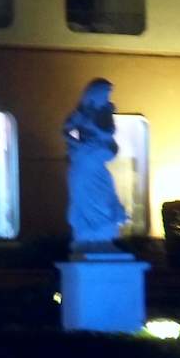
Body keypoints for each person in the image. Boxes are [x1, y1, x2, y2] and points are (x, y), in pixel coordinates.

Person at [63, 78, 128, 251]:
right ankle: (88, 237)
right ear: (95, 94)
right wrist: (77, 144)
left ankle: (105, 236)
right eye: (105, 94)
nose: (107, 97)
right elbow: (66, 130)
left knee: (106, 194)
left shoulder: (106, 113)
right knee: (85, 197)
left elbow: (110, 140)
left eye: (108, 94)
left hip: (98, 162)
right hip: (83, 162)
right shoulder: (82, 113)